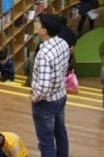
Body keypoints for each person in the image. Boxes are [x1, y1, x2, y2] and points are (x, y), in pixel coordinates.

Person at [31, 13, 70, 157]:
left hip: (45, 102)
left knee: (46, 142)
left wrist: (35, 98)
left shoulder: (43, 54)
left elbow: (44, 86)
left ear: (44, 30)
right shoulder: (63, 43)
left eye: (38, 24)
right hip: (61, 95)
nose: (36, 25)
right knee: (61, 133)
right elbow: (65, 68)